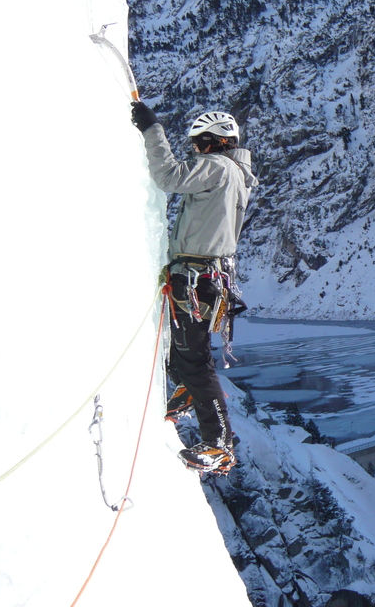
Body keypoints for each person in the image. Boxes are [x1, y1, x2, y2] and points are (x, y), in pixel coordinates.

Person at [131, 101, 258, 474]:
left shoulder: (217, 168)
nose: (195, 150)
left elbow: (168, 176)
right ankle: (187, 389)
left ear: (212, 141)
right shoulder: (236, 172)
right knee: (184, 353)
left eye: (198, 142)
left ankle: (219, 444)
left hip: (196, 281)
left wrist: (151, 129)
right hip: (204, 279)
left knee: (196, 362)